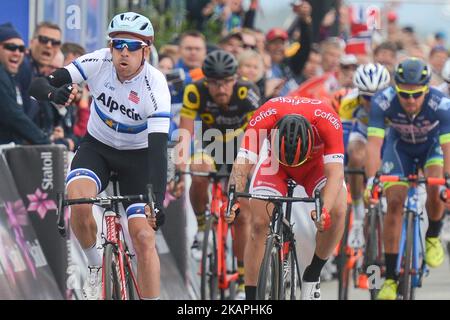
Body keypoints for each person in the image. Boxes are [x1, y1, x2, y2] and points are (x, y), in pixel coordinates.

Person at [29, 12, 171, 300]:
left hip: (139, 157)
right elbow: (38, 85)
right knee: (78, 202)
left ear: (146, 49)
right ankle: (95, 269)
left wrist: (156, 199)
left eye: (132, 46)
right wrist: (53, 95)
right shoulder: (97, 62)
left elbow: (158, 149)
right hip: (98, 148)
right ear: (110, 46)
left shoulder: (155, 85)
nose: (123, 52)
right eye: (118, 44)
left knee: (143, 237)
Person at [226, 96, 346, 300]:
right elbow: (242, 164)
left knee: (337, 211)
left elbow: (335, 174)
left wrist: (323, 209)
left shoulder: (328, 119)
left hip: (314, 166)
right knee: (258, 224)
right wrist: (233, 202)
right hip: (275, 164)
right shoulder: (267, 113)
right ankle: (251, 299)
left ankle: (313, 273)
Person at [176, 49, 261, 299]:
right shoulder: (195, 91)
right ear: (206, 81)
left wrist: (248, 169)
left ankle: (245, 279)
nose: (220, 88)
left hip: (242, 148)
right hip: (210, 147)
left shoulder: (248, 92)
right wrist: (180, 169)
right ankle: (203, 228)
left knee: (242, 213)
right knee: (198, 169)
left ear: (235, 79)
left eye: (225, 82)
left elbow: (258, 134)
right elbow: (185, 134)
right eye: (214, 83)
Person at [365, 58, 450, 300]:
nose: (410, 101)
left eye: (416, 95)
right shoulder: (382, 102)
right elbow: (374, 145)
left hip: (431, 148)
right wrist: (373, 180)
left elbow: (447, 147)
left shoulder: (442, 104)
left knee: (435, 188)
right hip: (399, 148)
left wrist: (448, 180)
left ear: (426, 89)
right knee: (393, 203)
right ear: (395, 89)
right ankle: (390, 278)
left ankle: (433, 235)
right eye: (404, 94)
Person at [339, 63, 390, 248]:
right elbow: (343, 139)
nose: (371, 102)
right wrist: (344, 167)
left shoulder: (394, 102)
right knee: (356, 155)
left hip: (387, 137)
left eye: (376, 96)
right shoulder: (348, 102)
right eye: (366, 97)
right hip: (361, 133)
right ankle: (359, 211)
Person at [0, 23, 49, 145]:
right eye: (10, 47)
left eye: (21, 49)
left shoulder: (12, 76)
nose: (17, 53)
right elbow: (13, 116)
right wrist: (45, 142)